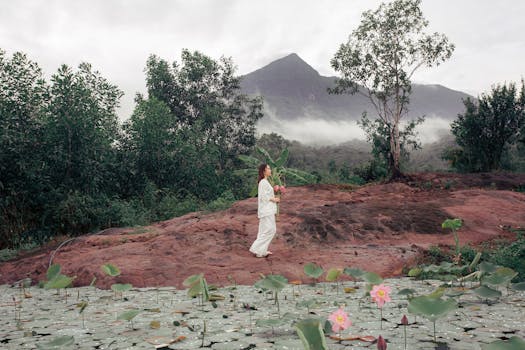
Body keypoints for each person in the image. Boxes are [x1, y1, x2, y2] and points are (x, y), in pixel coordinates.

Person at [249, 164, 280, 258]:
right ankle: (256, 247)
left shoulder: (265, 182)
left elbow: (267, 193)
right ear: (264, 171)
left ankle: (261, 251)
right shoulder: (263, 182)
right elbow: (263, 196)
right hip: (267, 210)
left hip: (267, 210)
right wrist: (275, 199)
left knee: (264, 231)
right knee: (271, 230)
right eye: (269, 168)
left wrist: (275, 190)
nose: (270, 170)